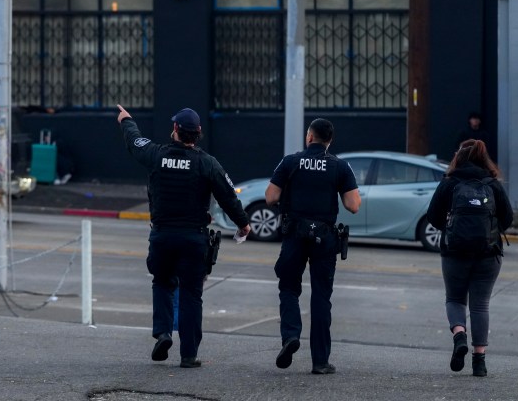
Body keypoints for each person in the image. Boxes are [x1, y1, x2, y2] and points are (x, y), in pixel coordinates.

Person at [117, 104, 251, 368]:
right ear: (198, 132)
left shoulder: (156, 155)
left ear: (176, 129)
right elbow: (228, 195)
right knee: (191, 294)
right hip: (193, 239)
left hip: (162, 236)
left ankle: (163, 333)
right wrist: (243, 224)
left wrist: (126, 120)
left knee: (163, 283)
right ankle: (188, 355)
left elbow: (134, 142)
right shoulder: (206, 163)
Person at [264, 118, 361, 375]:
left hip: (294, 233)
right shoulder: (340, 166)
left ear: (309, 137)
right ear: (330, 140)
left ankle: (291, 337)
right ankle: (320, 361)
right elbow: (353, 205)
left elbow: (271, 196)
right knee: (321, 297)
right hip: (324, 238)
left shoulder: (290, 162)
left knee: (288, 287)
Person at [425, 139, 513, 377]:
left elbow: (433, 216)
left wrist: (452, 228)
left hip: (454, 252)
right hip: (488, 253)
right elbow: (508, 219)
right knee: (480, 305)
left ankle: (459, 334)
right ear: (484, 158)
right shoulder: (492, 184)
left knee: (454, 298)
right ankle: (480, 362)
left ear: (459, 157)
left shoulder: (450, 182)